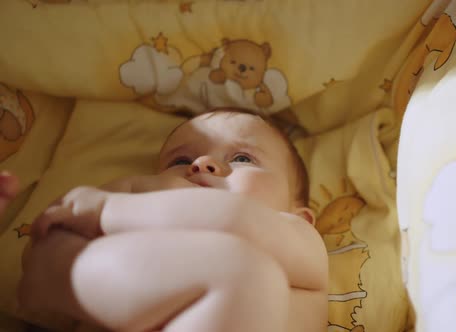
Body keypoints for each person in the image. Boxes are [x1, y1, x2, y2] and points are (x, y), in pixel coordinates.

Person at [15, 108, 328, 332]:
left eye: (243, 158)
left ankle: (62, 273)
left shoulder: (298, 233)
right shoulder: (143, 201)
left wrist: (108, 209)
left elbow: (235, 219)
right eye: (180, 160)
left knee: (247, 272)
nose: (201, 163)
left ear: (301, 213)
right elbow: (65, 215)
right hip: (121, 295)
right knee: (58, 242)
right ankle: (61, 272)